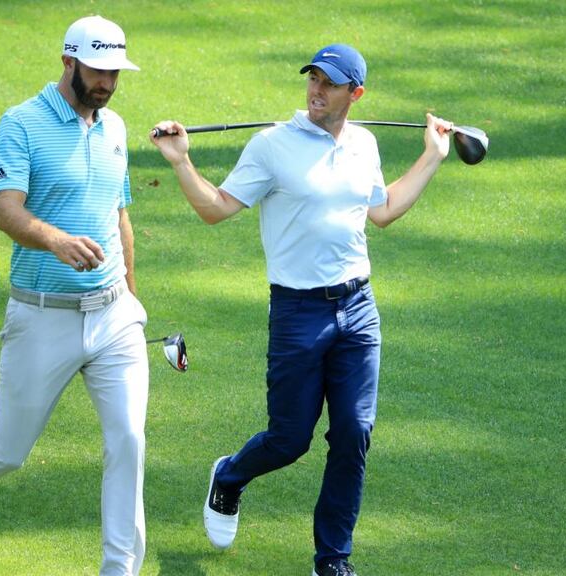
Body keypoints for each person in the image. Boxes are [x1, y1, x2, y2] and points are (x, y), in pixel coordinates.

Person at [149, 44, 454, 576]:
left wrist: (432, 155)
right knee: (290, 439)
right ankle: (230, 475)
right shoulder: (272, 146)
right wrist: (182, 162)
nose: (316, 90)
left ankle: (332, 559)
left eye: (329, 83)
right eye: (312, 79)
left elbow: (381, 211)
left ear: (354, 93)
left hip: (359, 308)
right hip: (298, 313)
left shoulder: (364, 142)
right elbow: (216, 209)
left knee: (355, 433)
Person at [0, 16, 148, 576]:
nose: (108, 83)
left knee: (129, 441)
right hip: (43, 316)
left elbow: (120, 218)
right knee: (8, 450)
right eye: (98, 71)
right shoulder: (20, 123)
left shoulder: (114, 127)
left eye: (115, 72)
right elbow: (7, 211)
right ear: (68, 62)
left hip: (114, 316)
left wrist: (133, 301)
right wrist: (56, 239)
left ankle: (119, 569)